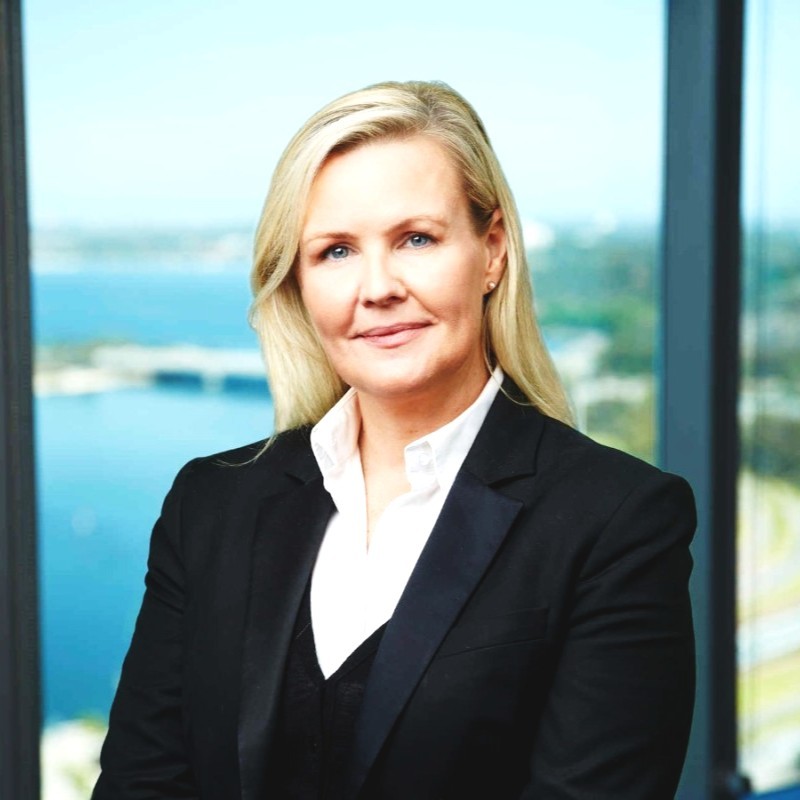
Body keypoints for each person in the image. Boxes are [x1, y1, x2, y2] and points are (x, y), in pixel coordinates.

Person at [92, 80, 696, 800]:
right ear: (298, 284)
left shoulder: (618, 521)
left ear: (492, 252)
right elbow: (141, 783)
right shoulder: (211, 503)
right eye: (335, 251)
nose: (376, 287)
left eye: (416, 239)